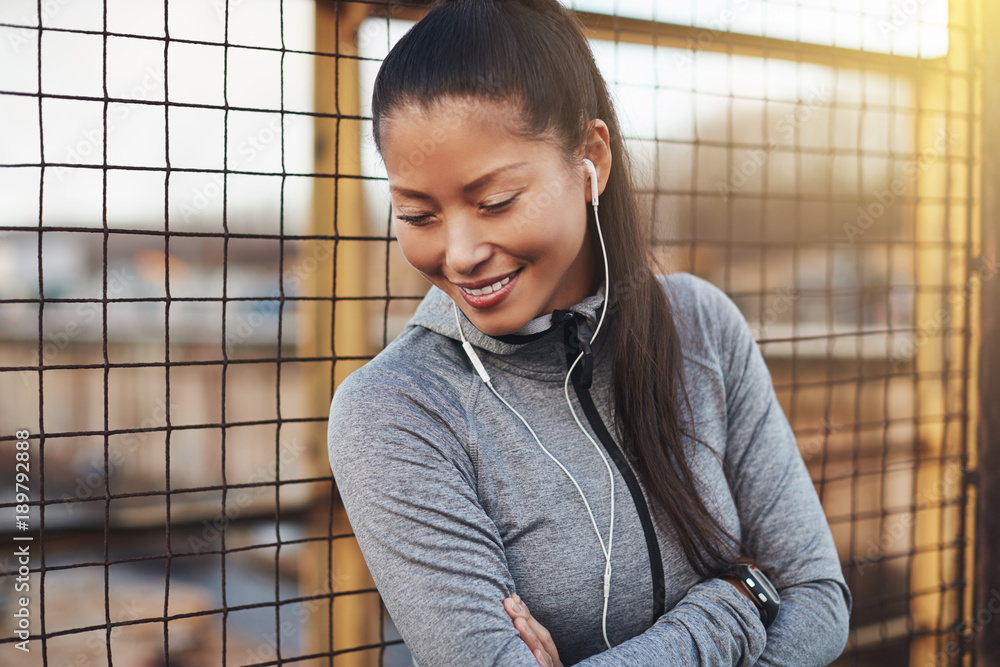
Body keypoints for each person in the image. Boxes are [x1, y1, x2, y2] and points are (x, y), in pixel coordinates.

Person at [327, 0, 851, 664]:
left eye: (494, 202)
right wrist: (733, 603)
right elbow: (776, 595)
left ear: (591, 161)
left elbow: (819, 598)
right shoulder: (396, 411)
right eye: (418, 213)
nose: (459, 252)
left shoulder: (701, 325)